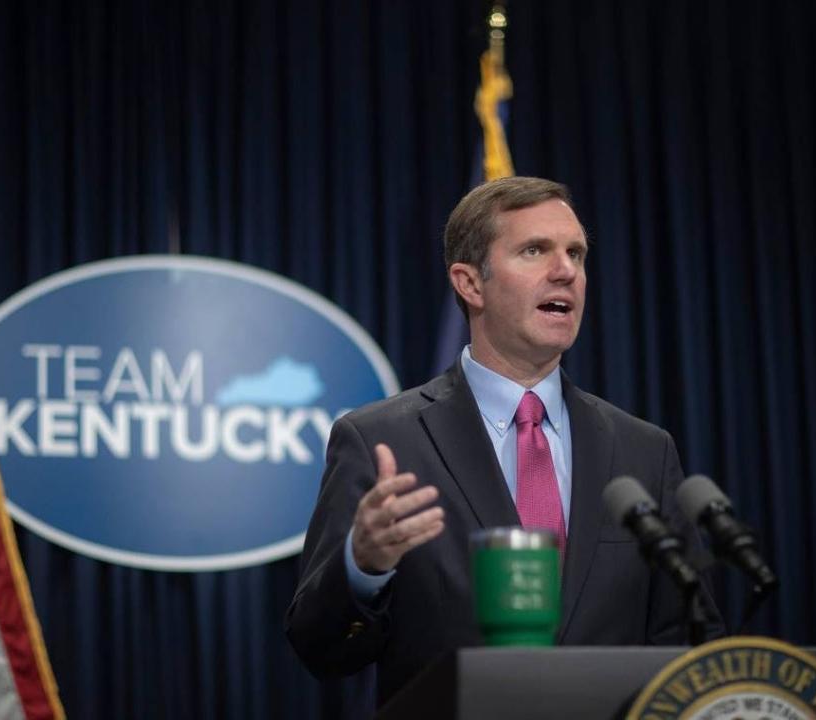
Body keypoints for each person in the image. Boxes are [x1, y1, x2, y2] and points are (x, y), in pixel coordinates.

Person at [285, 176, 721, 706]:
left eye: (576, 254)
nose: (566, 271)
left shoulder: (644, 451)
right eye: (535, 250)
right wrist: (364, 566)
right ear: (470, 284)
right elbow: (322, 650)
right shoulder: (381, 440)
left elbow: (688, 645)